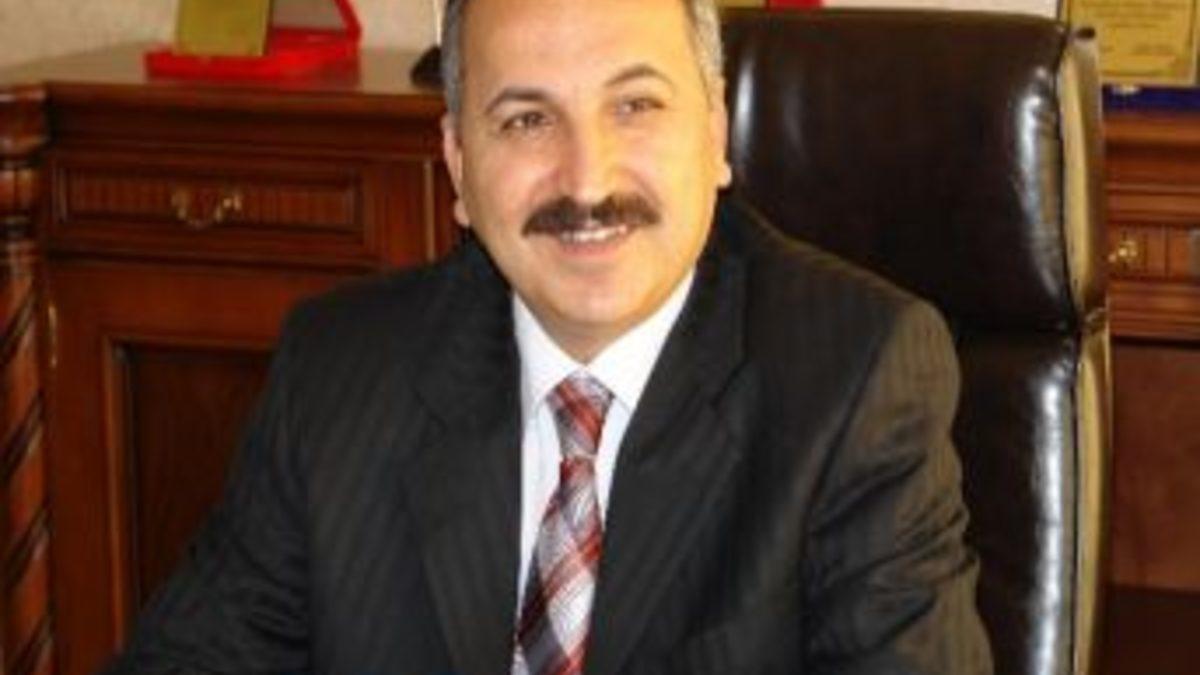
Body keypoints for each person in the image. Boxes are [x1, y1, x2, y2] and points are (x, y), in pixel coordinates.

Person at [108, 0, 992, 672]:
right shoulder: (339, 373)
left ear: (715, 131)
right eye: (527, 119)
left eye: (635, 105)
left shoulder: (855, 381)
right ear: (459, 165)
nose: (587, 180)